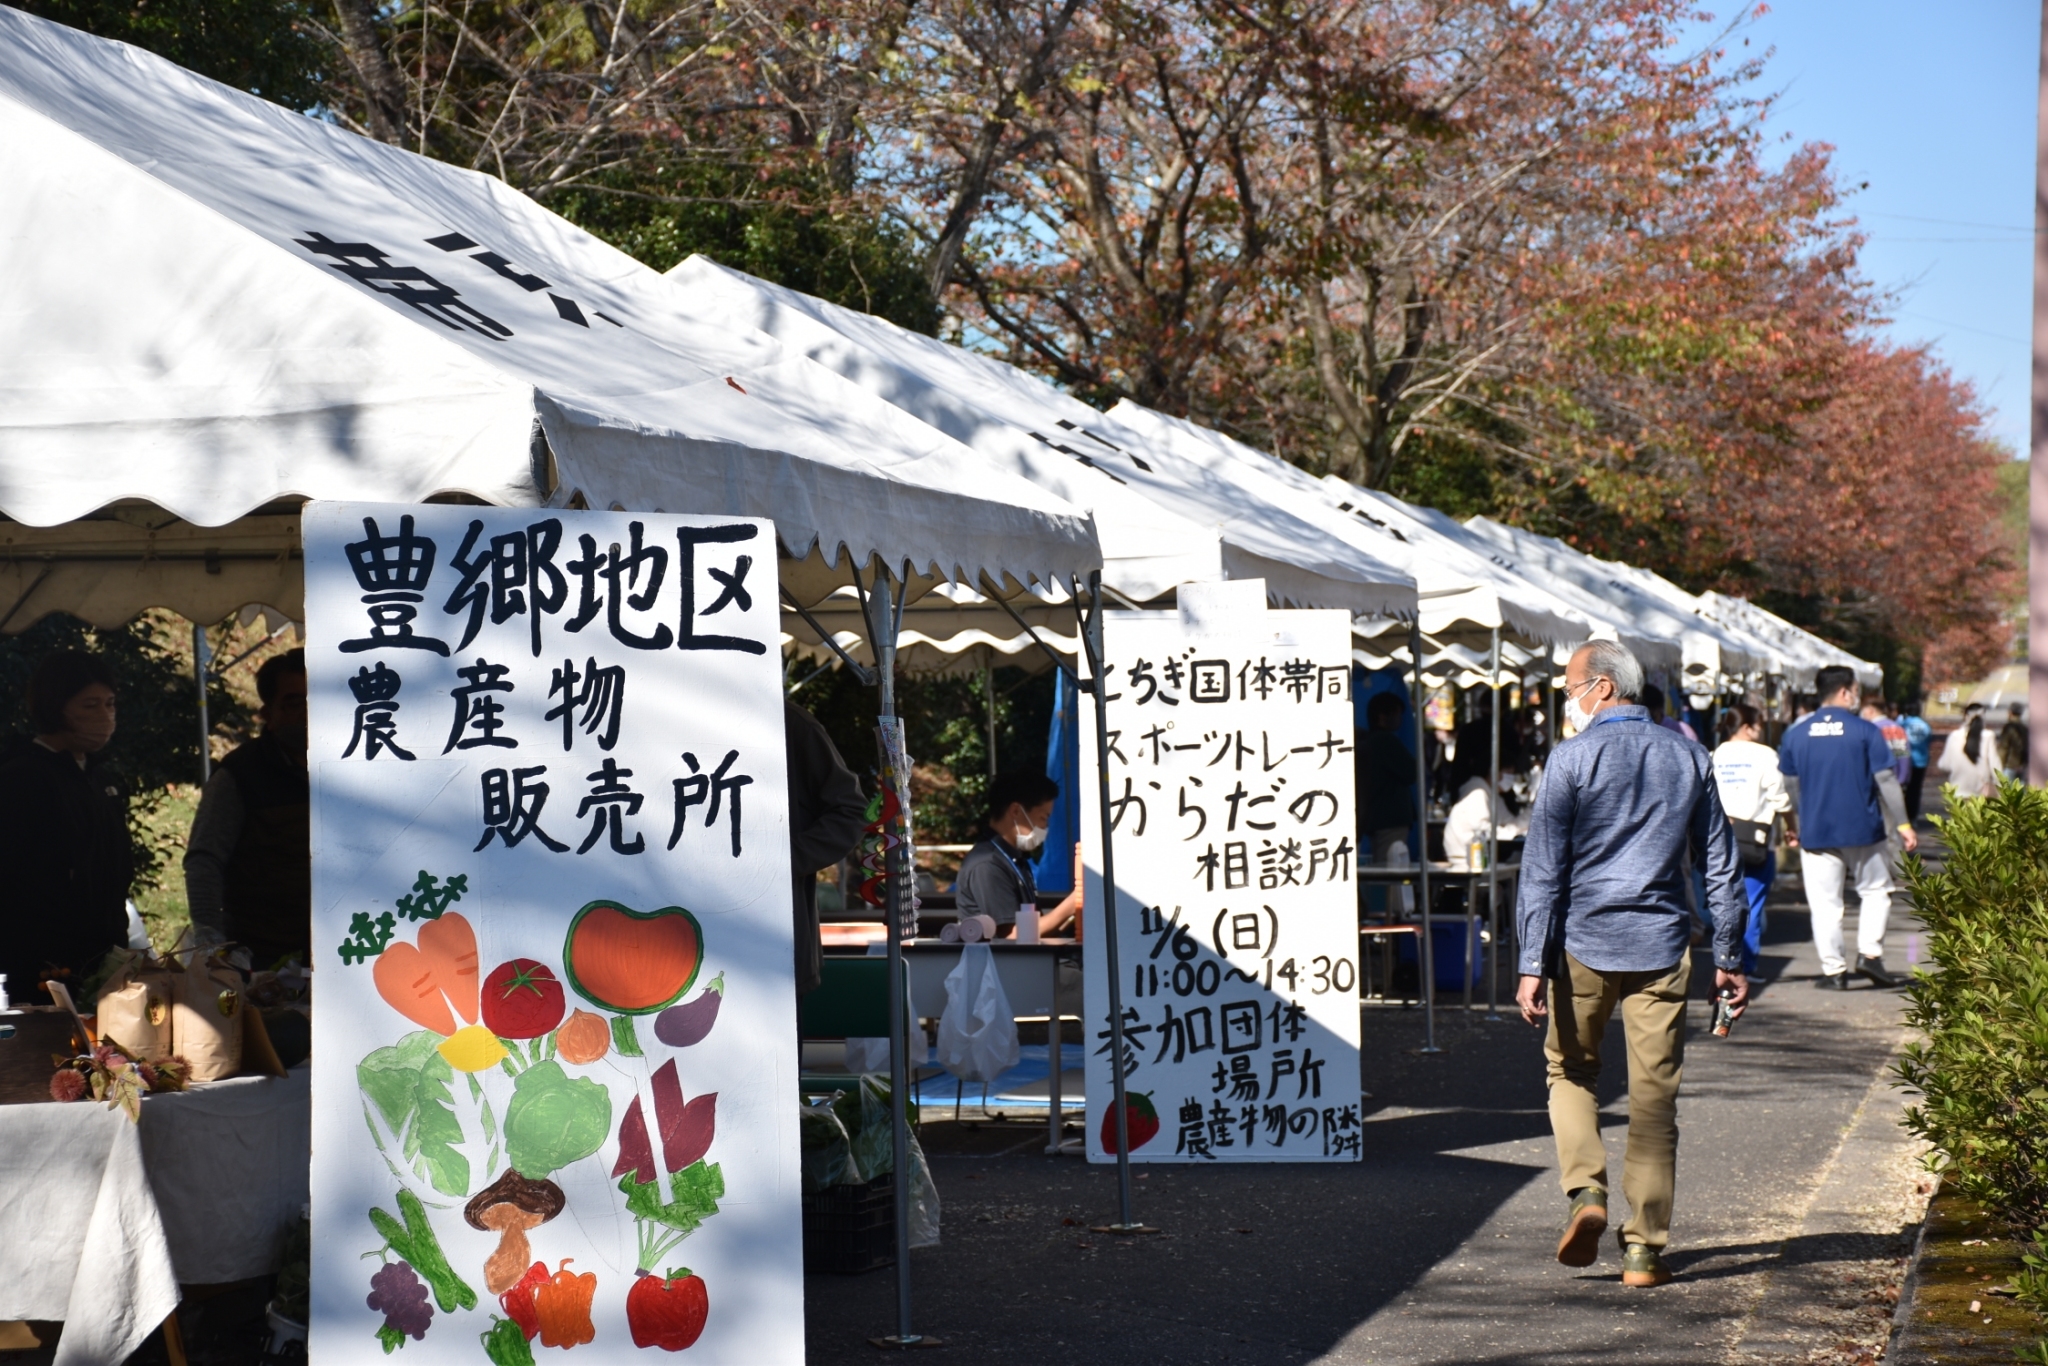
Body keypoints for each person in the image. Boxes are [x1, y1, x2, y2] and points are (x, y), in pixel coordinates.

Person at [1515, 640, 1745, 1289]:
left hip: (1582, 942)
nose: (1569, 700)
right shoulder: (1689, 756)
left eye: (1571, 688)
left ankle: (1586, 1193)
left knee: (1570, 1070)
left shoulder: (1571, 759)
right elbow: (1719, 865)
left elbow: (1542, 874)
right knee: (1654, 1098)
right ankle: (1643, 1250)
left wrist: (1531, 960)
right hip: (1664, 944)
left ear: (1604, 688)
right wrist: (1728, 953)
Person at [0, 651, 133, 1003]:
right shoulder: (22, 779)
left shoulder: (99, 777)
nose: (104, 716)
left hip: (105, 961)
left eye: (110, 703)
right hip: (42, 972)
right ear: (55, 708)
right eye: (89, 705)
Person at [1778, 666, 1916, 990]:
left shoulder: (1795, 734)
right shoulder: (1866, 731)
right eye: (1855, 690)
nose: (1856, 696)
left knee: (1825, 905)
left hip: (1817, 831)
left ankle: (1834, 971)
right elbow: (1886, 780)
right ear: (1844, 692)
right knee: (1876, 891)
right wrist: (1904, 824)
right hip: (1863, 827)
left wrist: (1799, 819)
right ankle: (1870, 954)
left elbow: (1790, 782)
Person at [185, 650, 310, 965]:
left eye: (318, 700)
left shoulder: (353, 766)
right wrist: (210, 938)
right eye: (295, 703)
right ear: (267, 713)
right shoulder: (240, 774)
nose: (308, 713)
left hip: (341, 946)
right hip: (262, 957)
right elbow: (204, 860)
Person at [784, 700, 869, 996]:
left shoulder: (789, 723)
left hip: (780, 948)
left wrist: (782, 861)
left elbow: (850, 811)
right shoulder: (665, 716)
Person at [1710, 704, 1792, 979]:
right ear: (1747, 727)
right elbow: (1780, 798)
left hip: (1718, 837)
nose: (1760, 731)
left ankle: (1722, 960)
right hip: (1754, 841)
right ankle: (1745, 965)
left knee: (1723, 900)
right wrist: (1792, 827)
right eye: (1758, 725)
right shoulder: (1765, 754)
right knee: (1752, 902)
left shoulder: (1715, 754)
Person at [955, 770, 1082, 936]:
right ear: (1015, 811)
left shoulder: (1013, 858)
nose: (1044, 828)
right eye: (1043, 818)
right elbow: (1011, 935)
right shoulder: (987, 864)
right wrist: (1073, 903)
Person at [1355, 691, 1417, 863]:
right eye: (1397, 713)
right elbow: (1411, 772)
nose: (1400, 719)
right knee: (1391, 870)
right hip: (1390, 819)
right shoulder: (1386, 741)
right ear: (1383, 716)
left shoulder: (1369, 741)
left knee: (1385, 866)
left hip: (1376, 818)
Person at [1443, 749, 1528, 869]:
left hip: (1479, 858)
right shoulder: (1477, 793)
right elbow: (1484, 831)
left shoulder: (1494, 797)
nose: (1511, 778)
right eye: (1508, 773)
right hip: (1466, 860)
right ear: (1493, 771)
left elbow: (1511, 823)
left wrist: (1531, 813)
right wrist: (1512, 831)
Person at [1938, 706, 1998, 800]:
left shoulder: (1954, 736)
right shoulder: (1988, 736)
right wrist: (2000, 786)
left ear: (1965, 717)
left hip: (1958, 792)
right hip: (1982, 793)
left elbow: (1944, 765)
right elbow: (1995, 765)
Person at [1862, 699, 1911, 787]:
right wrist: (1903, 778)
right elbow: (1904, 754)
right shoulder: (1898, 728)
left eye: (1863, 711)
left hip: (1877, 782)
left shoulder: (1871, 729)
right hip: (1899, 780)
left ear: (1870, 710)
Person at [1897, 702, 1933, 823]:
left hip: (1904, 759)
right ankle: (1913, 816)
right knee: (1915, 789)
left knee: (1901, 788)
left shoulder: (1903, 724)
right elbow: (1928, 740)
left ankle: (1901, 816)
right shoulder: (1925, 725)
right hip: (1921, 760)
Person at [1997, 703, 2029, 781]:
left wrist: (1999, 765)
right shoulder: (2025, 729)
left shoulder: (2008, 728)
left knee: (2007, 791)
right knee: (2020, 791)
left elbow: (2004, 748)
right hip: (2022, 766)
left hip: (2009, 766)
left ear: (2010, 713)